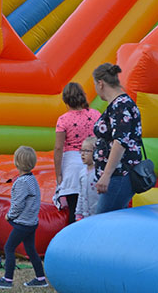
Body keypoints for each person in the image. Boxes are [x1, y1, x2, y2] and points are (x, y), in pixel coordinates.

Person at [0, 146, 48, 289]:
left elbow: (18, 204)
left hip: (23, 222)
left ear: (17, 162)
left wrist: (10, 216)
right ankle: (40, 278)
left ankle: (7, 280)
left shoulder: (22, 182)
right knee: (31, 249)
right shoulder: (32, 179)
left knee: (9, 247)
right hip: (31, 222)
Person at [92, 63, 143, 214]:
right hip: (117, 174)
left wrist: (106, 175)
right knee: (113, 217)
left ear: (100, 84)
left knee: (103, 219)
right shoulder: (118, 104)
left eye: (95, 84)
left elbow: (120, 142)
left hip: (120, 174)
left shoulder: (121, 105)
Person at [54, 82, 100, 225]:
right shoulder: (96, 115)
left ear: (66, 100)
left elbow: (58, 148)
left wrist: (58, 175)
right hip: (94, 165)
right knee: (95, 207)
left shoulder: (63, 120)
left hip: (72, 166)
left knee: (75, 209)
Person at [75, 137, 98, 221]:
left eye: (87, 151)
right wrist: (78, 213)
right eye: (81, 150)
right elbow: (81, 194)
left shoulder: (99, 173)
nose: (82, 154)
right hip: (85, 216)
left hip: (98, 214)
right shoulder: (82, 173)